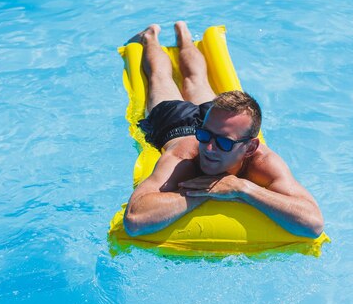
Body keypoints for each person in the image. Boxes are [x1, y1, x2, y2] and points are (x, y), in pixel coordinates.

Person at [123, 22, 324, 239]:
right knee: (160, 78)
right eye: (205, 136)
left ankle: (184, 36)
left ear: (250, 147)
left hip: (217, 122)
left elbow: (313, 223)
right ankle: (150, 37)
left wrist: (241, 188)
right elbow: (135, 219)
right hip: (176, 125)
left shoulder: (262, 162)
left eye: (224, 143)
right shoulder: (184, 157)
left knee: (196, 79)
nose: (208, 148)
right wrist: (206, 192)